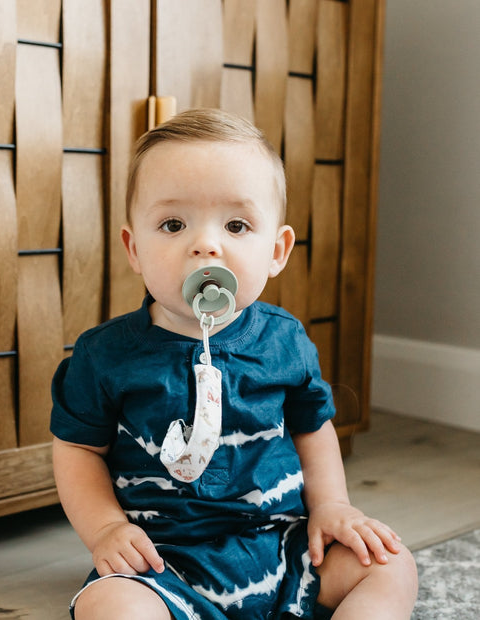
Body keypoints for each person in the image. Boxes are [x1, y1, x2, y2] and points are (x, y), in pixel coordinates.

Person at [51, 108, 418, 620]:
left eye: (236, 225)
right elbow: (78, 450)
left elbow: (312, 427)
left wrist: (333, 505)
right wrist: (107, 529)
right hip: (162, 561)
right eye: (173, 224)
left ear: (277, 250)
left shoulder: (285, 340)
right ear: (134, 249)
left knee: (390, 565)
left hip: (285, 546)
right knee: (110, 606)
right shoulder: (104, 355)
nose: (206, 244)